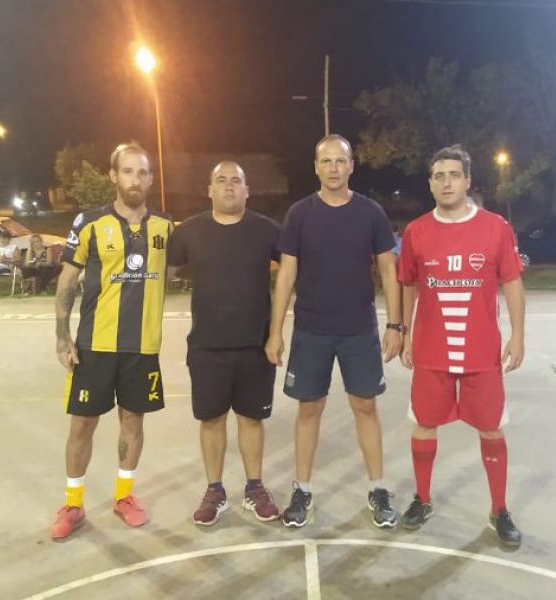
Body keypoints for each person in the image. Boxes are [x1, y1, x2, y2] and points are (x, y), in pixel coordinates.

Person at [265, 134, 403, 529]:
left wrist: (395, 324)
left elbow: (389, 271)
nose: (333, 168)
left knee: (366, 407)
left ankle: (378, 488)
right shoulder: (299, 214)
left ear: (351, 165)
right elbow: (286, 274)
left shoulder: (371, 213)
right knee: (309, 409)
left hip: (359, 329)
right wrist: (276, 332)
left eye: (340, 161)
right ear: (316, 167)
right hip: (312, 329)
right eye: (326, 161)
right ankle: (302, 490)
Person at [398, 145, 525, 547]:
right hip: (432, 348)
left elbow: (512, 282)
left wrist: (518, 335)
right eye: (438, 175)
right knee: (424, 422)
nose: (446, 182)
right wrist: (403, 333)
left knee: (491, 427)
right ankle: (422, 498)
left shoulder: (495, 227)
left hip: (481, 350)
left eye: (454, 174)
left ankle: (499, 509)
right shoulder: (417, 230)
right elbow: (408, 285)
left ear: (468, 181)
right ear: (430, 183)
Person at [49, 142, 174, 540]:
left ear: (151, 179)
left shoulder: (165, 227)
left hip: (142, 348)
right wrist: (62, 336)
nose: (135, 180)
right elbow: (67, 281)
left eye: (142, 173)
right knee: (82, 425)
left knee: (132, 423)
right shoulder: (89, 223)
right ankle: (73, 504)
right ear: (113, 176)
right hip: (95, 346)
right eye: (128, 172)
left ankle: (124, 496)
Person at [168, 161, 281, 526]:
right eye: (222, 181)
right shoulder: (188, 232)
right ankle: (215, 490)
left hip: (255, 345)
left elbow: (293, 269)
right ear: (209, 190)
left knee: (251, 419)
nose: (229, 187)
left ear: (248, 190)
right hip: (206, 345)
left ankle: (254, 488)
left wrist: (277, 330)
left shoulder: (267, 231)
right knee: (212, 419)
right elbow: (162, 272)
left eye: (237, 181)